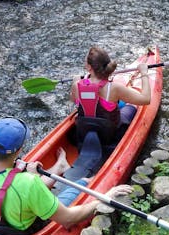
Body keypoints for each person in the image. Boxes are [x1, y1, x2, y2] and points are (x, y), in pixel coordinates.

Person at [0, 117, 133, 235]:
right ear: (18, 150)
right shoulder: (28, 183)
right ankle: (80, 179)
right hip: (27, 232)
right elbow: (68, 219)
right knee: (82, 183)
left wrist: (27, 175)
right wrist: (102, 200)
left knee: (28, 191)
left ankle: (59, 167)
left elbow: (12, 188)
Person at [61, 47, 151, 183]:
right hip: (111, 134)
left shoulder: (76, 85)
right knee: (131, 107)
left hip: (83, 133)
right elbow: (146, 99)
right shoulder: (114, 88)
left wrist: (75, 81)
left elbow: (74, 99)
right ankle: (130, 106)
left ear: (89, 68)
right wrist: (144, 73)